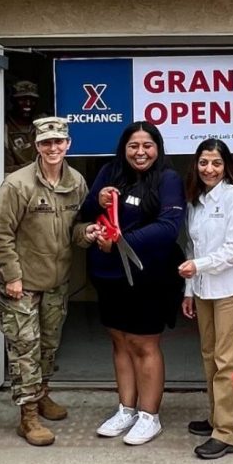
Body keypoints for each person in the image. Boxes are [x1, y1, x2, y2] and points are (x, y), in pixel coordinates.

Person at [79, 121, 186, 446]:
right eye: (133, 146)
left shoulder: (168, 179)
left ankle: (149, 415)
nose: (140, 152)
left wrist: (121, 239)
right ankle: (126, 408)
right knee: (120, 343)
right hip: (109, 275)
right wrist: (97, 200)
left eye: (147, 146)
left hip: (149, 277)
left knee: (144, 345)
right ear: (123, 149)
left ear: (158, 148)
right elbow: (82, 213)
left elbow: (169, 226)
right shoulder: (110, 172)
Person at [0, 116, 90, 447]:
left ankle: (42, 394)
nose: (53, 148)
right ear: (36, 146)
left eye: (59, 141)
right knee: (25, 351)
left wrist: (88, 234)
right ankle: (27, 416)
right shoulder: (18, 185)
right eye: (46, 142)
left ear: (68, 144)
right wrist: (12, 276)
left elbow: (77, 228)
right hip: (22, 285)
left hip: (56, 282)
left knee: (48, 346)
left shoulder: (76, 182)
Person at [179, 139, 233, 460]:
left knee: (227, 360)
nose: (209, 169)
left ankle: (228, 432)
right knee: (210, 356)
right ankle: (216, 419)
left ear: (227, 166)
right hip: (203, 290)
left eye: (216, 163)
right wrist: (188, 289)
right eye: (203, 163)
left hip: (231, 289)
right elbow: (191, 247)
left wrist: (199, 266)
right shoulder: (195, 202)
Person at [4, 80, 43, 174]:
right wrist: (34, 167)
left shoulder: (42, 124)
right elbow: (4, 169)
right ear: (12, 101)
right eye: (22, 100)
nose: (28, 104)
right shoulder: (4, 128)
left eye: (32, 100)